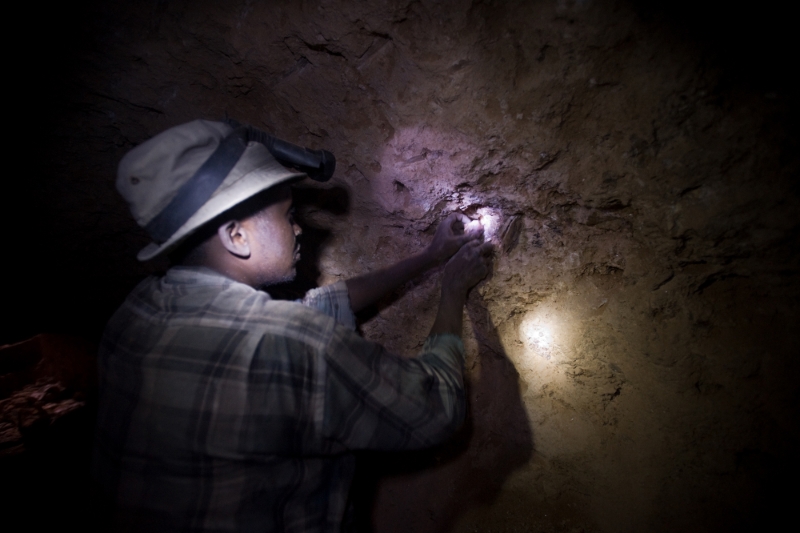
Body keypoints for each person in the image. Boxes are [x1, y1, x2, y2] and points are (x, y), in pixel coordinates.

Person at [92, 119, 493, 532]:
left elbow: (316, 308)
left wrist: (428, 258)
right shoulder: (293, 345)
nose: (299, 228)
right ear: (236, 236)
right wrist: (452, 291)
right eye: (287, 214)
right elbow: (439, 408)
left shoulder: (134, 311)